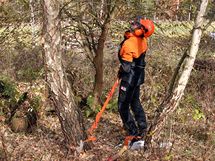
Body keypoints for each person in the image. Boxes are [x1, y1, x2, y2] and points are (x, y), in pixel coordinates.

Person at [117, 17, 155, 142]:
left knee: (122, 105)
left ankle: (133, 133)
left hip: (130, 78)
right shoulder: (142, 40)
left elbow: (127, 66)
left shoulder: (129, 44)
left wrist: (121, 72)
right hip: (138, 77)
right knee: (135, 102)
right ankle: (143, 128)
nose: (131, 23)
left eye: (135, 24)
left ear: (141, 29)